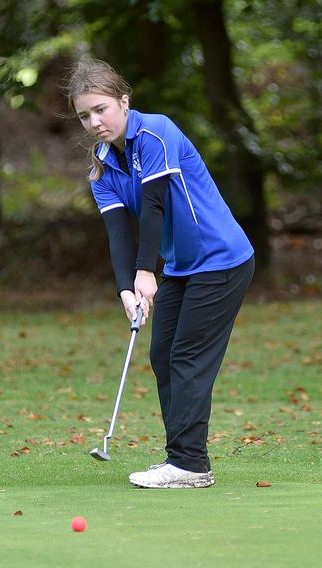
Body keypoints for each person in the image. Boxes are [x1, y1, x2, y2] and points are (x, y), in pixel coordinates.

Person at [67, 58, 255, 488]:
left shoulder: (156, 132)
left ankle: (189, 464)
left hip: (221, 259)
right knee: (162, 355)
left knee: (187, 356)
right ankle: (184, 459)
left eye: (101, 109)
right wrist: (125, 289)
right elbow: (119, 232)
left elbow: (152, 208)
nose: (95, 122)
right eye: (84, 115)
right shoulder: (101, 166)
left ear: (124, 101)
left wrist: (146, 273)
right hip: (184, 266)